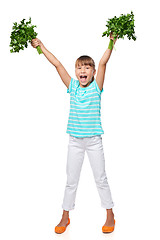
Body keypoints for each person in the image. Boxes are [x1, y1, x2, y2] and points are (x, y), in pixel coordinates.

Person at [31, 33, 117, 234]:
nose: (82, 70)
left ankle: (110, 214)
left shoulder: (97, 87)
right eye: (79, 67)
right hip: (75, 141)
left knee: (101, 178)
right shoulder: (73, 87)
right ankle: (65, 216)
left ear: (94, 72)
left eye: (87, 67)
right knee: (71, 179)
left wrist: (112, 41)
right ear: (76, 72)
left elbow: (104, 62)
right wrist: (41, 45)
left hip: (94, 141)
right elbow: (57, 64)